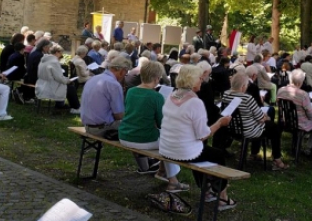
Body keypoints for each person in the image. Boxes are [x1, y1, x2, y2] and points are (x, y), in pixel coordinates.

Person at [159, 65, 235, 211]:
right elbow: (203, 135)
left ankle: (207, 190)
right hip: (180, 151)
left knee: (203, 151)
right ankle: (223, 197)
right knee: (217, 155)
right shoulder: (195, 102)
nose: (202, 81)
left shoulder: (171, 95)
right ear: (192, 80)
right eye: (200, 78)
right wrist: (220, 123)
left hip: (166, 147)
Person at [119, 62, 187, 190]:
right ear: (157, 78)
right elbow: (163, 124)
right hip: (141, 139)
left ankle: (162, 171)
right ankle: (173, 181)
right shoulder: (156, 96)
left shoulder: (131, 91)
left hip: (124, 135)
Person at [222, 72, 288, 170]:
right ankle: (277, 160)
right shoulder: (247, 98)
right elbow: (260, 117)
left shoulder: (226, 94)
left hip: (232, 128)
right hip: (248, 130)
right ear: (243, 86)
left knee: (263, 124)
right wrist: (266, 117)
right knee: (274, 127)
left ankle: (254, 153)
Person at [80, 56, 132, 137]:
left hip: (87, 126)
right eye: (126, 73)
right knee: (138, 127)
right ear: (122, 71)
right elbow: (119, 115)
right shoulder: (114, 84)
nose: (124, 76)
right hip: (102, 129)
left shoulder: (93, 79)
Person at [277, 69, 312, 153]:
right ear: (300, 82)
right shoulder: (303, 94)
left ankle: (297, 145)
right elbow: (311, 114)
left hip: (285, 121)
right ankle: (309, 148)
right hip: (299, 123)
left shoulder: (281, 90)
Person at [36, 45, 80, 113]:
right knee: (71, 88)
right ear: (57, 52)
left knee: (66, 86)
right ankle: (76, 107)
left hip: (42, 84)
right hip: (49, 86)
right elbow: (59, 78)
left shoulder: (44, 59)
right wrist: (68, 80)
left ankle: (60, 104)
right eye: (61, 53)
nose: (61, 55)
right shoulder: (54, 62)